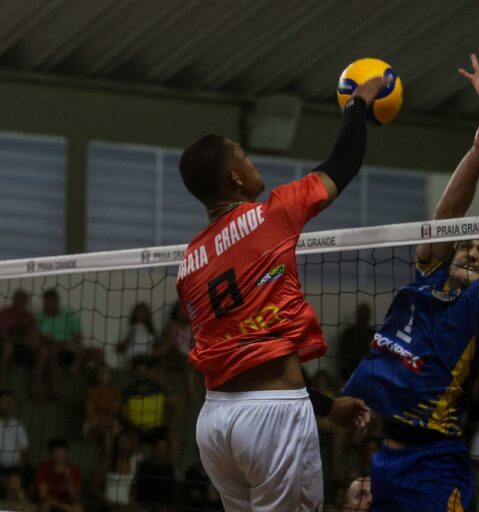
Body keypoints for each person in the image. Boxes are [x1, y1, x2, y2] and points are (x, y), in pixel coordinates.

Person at [342, 51, 479, 509]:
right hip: (385, 456)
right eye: (468, 245)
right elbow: (447, 217)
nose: (473, 250)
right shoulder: (429, 276)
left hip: (433, 460)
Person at [175, 75, 386, 511]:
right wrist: (358, 104)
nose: (253, 164)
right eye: (246, 156)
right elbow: (341, 164)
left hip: (215, 423)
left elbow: (244, 361)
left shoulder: (188, 263)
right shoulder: (273, 213)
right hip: (273, 418)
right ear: (235, 176)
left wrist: (327, 406)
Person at [35, 438, 84, 512]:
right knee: (45, 507)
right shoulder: (43, 468)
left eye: (62, 452)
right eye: (56, 453)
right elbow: (43, 496)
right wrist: (66, 507)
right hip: (48, 503)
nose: (59, 456)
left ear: (67, 453)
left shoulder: (74, 470)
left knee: (78, 509)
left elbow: (75, 497)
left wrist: (68, 478)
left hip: (66, 502)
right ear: (51, 454)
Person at [0, 289, 38, 380]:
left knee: (39, 346)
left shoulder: (29, 316)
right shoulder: (5, 314)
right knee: (7, 347)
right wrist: (22, 339)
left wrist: (29, 340)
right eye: (19, 300)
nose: (22, 303)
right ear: (14, 300)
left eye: (24, 301)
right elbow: (4, 336)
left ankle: (35, 378)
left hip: (23, 346)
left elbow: (32, 335)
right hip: (5, 344)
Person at [337, 303, 376, 382]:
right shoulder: (349, 334)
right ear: (357, 314)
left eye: (366, 313)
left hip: (370, 378)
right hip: (350, 377)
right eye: (362, 313)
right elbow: (343, 358)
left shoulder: (374, 335)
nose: (364, 316)